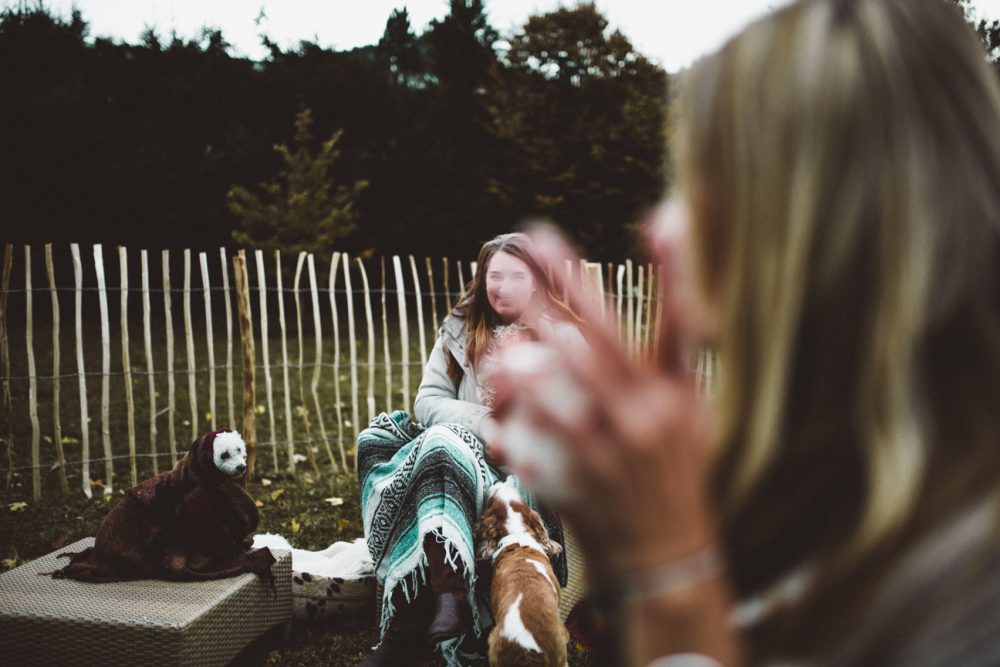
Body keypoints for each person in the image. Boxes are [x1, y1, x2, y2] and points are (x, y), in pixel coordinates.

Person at [490, 0, 1000, 665]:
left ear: (815, 216)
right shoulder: (828, 480)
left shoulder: (964, 595)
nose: (662, 226)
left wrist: (671, 580)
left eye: (699, 179)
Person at [356, 232, 585, 666]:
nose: (501, 287)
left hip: (530, 467)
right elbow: (427, 401)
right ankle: (448, 595)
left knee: (441, 451)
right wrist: (484, 424)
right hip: (469, 454)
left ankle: (414, 626)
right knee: (423, 441)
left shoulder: (566, 339)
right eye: (493, 275)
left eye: (516, 276)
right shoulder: (460, 329)